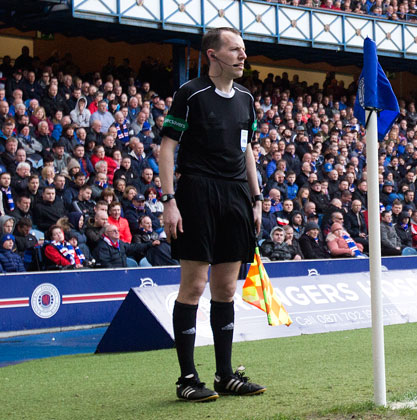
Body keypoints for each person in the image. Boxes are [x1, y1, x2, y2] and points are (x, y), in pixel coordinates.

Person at [159, 28, 266, 402]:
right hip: (198, 192)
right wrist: (169, 199)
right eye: (235, 50)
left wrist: (256, 198)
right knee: (194, 285)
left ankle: (224, 375)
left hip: (237, 195)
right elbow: (167, 147)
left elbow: (248, 150)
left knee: (225, 287)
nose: (242, 56)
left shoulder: (248, 99)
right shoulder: (190, 94)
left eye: (244, 50)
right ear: (213, 55)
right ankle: (187, 378)